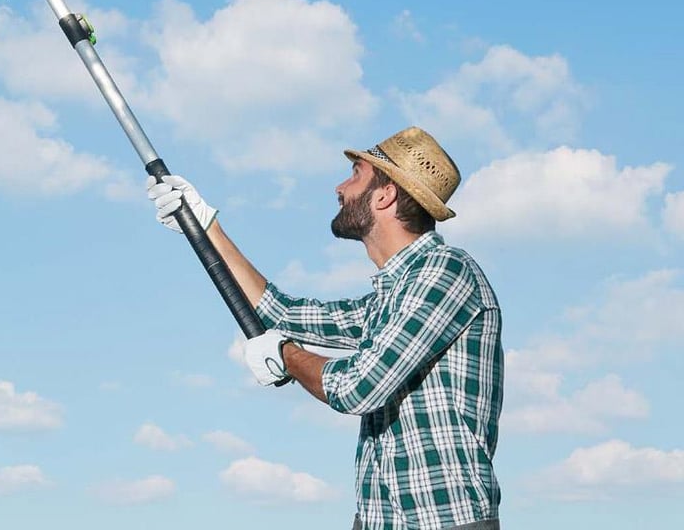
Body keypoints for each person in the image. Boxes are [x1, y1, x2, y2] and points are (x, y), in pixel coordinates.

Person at [147, 126, 503, 530]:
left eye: (355, 174)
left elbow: (358, 387)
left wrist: (285, 356)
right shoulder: (392, 295)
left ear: (384, 196)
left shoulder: (445, 273)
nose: (340, 187)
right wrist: (206, 227)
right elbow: (278, 311)